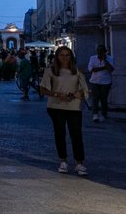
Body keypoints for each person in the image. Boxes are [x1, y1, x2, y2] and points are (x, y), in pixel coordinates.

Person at [39, 46, 91, 175]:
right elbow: (42, 89)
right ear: (57, 56)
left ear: (71, 57)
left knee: (76, 135)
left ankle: (79, 163)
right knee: (60, 134)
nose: (65, 57)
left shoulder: (77, 71)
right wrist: (57, 94)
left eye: (67, 55)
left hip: (74, 106)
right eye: (62, 55)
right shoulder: (50, 71)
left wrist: (80, 93)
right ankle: (63, 160)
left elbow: (85, 89)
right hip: (56, 106)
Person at [87, 44, 114, 123]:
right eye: (98, 51)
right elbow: (91, 70)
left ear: (105, 52)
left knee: (104, 99)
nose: (99, 52)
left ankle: (103, 114)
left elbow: (111, 69)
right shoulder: (92, 58)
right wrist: (104, 68)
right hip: (94, 81)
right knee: (95, 98)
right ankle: (95, 114)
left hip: (106, 82)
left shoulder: (110, 58)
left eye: (101, 51)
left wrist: (105, 60)